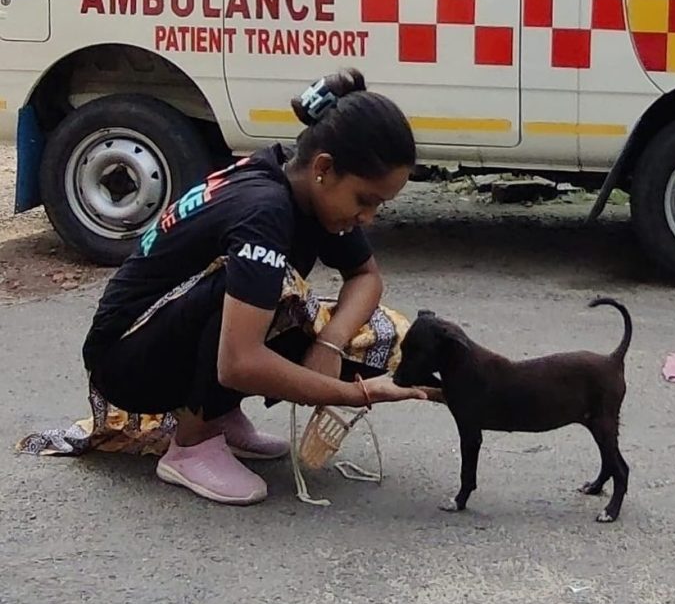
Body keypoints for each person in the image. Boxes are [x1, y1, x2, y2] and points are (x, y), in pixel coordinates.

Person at [18, 69, 429, 505]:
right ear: (324, 168)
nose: (368, 217)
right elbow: (238, 361)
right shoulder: (264, 210)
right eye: (365, 201)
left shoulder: (304, 187)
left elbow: (366, 278)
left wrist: (328, 345)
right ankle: (193, 443)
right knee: (265, 288)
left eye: (379, 206)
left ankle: (219, 413)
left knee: (381, 331)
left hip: (172, 332)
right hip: (127, 362)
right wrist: (356, 393)